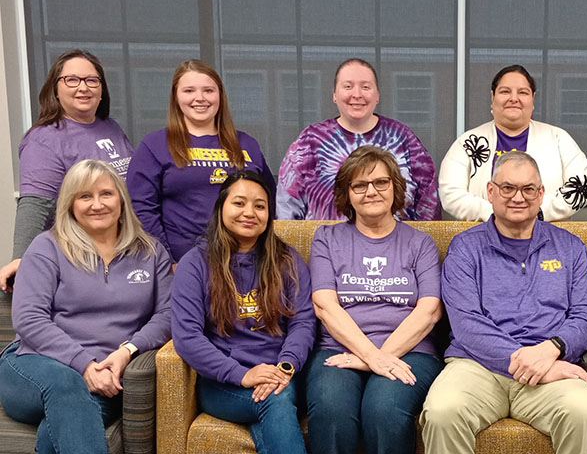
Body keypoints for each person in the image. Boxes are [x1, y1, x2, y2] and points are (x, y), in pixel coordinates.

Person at [421, 151, 587, 454]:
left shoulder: (570, 247)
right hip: (476, 367)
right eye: (508, 188)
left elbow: (585, 317)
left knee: (586, 413)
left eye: (528, 189)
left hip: (550, 364)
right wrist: (528, 361)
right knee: (441, 412)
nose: (518, 197)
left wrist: (550, 350)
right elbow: (466, 324)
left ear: (541, 193)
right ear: (490, 191)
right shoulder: (465, 248)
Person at [0, 159, 172, 454]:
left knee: (56, 429)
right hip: (32, 365)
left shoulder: (150, 252)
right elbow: (28, 319)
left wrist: (127, 351)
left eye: (105, 193)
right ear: (70, 205)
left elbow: (167, 315)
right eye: (84, 196)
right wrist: (83, 364)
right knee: (67, 385)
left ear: (121, 199)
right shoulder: (47, 248)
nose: (97, 205)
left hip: (108, 376)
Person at [305, 145, 443, 454]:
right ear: (346, 193)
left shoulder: (420, 242)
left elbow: (429, 311)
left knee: (384, 411)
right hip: (338, 351)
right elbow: (325, 305)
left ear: (396, 188)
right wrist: (371, 356)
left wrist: (374, 359)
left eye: (381, 182)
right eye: (359, 185)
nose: (371, 191)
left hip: (411, 352)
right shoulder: (326, 238)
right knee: (331, 409)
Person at [171, 170, 314, 454]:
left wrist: (286, 367)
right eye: (239, 203)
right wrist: (244, 374)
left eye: (260, 206)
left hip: (282, 376)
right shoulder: (195, 264)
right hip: (224, 385)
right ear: (221, 207)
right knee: (276, 402)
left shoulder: (287, 260)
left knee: (273, 422)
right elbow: (187, 338)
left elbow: (303, 322)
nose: (250, 212)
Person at [0, 49, 133, 292]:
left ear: (102, 90)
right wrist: (21, 257)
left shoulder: (111, 128)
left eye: (92, 80)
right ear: (55, 90)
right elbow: (36, 204)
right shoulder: (45, 139)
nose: (84, 87)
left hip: (119, 252)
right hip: (77, 260)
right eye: (72, 80)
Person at [127, 59, 275, 263]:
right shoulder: (155, 145)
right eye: (189, 91)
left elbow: (268, 200)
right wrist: (166, 260)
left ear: (220, 96)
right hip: (181, 262)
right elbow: (141, 209)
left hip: (244, 261)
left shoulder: (247, 144)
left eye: (208, 90)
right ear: (176, 97)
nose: (200, 98)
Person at [277, 58, 440, 221]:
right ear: (335, 94)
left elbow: (429, 202)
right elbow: (287, 207)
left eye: (365, 87)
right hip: (325, 244)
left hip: (397, 244)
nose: (357, 94)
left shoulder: (402, 138)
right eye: (348, 86)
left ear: (377, 95)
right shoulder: (310, 140)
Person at [439, 65, 587, 222]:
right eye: (505, 91)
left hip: (548, 239)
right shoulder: (468, 143)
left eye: (523, 92)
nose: (514, 98)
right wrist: (495, 214)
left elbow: (582, 187)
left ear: (532, 100)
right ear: (492, 97)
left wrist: (536, 213)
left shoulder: (559, 139)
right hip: (482, 239)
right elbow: (450, 193)